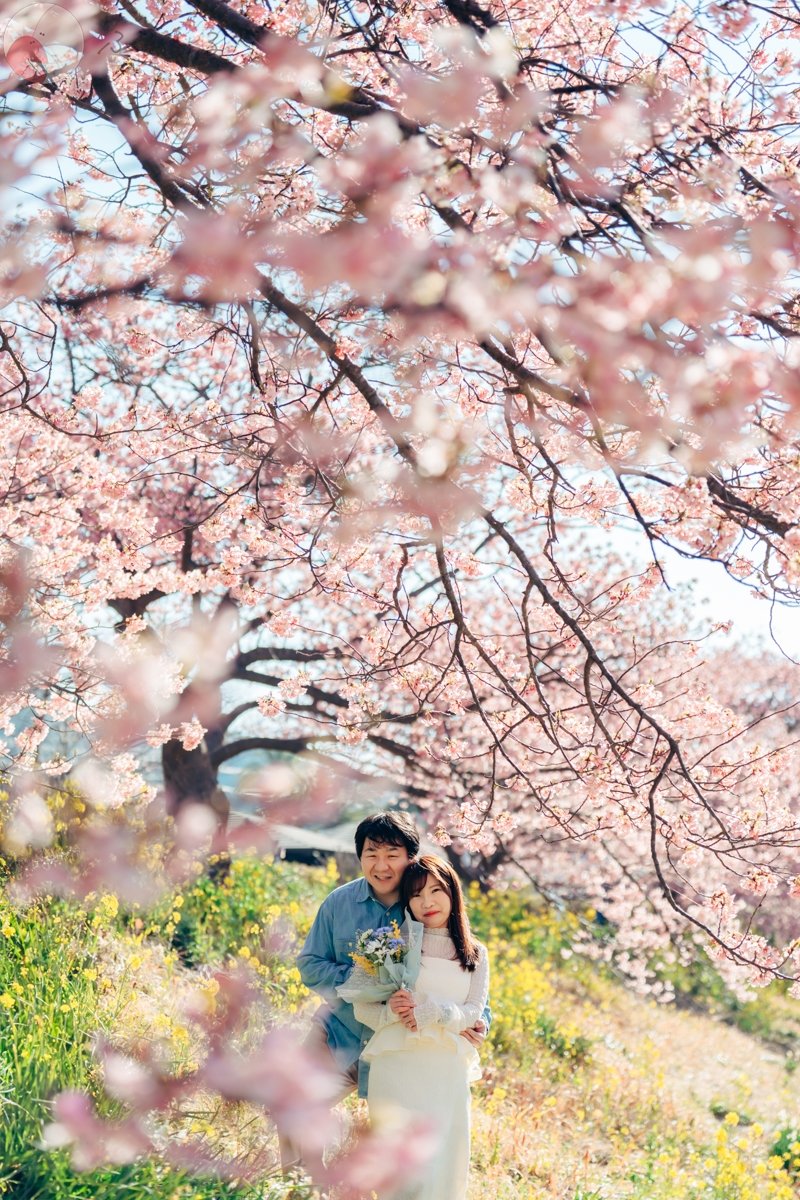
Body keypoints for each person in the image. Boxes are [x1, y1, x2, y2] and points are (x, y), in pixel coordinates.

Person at [289, 813, 488, 1176]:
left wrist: (480, 1021)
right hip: (341, 1032)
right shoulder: (339, 904)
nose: (381, 865)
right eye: (371, 853)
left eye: (392, 854)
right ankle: (302, 1188)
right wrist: (366, 981)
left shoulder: (425, 903)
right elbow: (311, 965)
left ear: (411, 857)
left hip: (402, 1047)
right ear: (360, 856)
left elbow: (461, 969)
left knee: (395, 1144)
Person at [352, 856, 490, 1200]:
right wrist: (391, 1012)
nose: (426, 902)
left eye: (435, 891)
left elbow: (474, 1010)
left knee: (445, 1159)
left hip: (446, 1070)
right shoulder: (391, 943)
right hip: (397, 1063)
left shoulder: (476, 953)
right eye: (415, 895)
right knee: (397, 1168)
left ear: (452, 892)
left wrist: (437, 1013)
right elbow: (361, 1005)